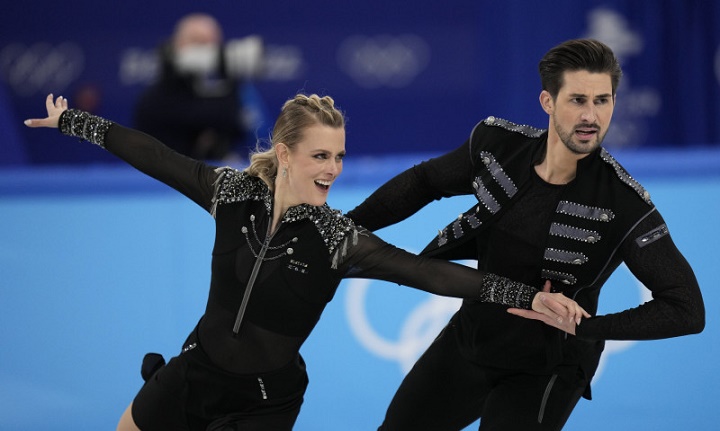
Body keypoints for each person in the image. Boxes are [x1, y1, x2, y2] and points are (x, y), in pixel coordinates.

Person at [24, 93, 589, 430]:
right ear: (286, 152)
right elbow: (157, 158)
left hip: (263, 403)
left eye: (339, 156)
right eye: (321, 155)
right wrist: (77, 122)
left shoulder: (338, 239)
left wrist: (525, 296)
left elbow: (430, 274)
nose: (332, 168)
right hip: (195, 370)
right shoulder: (232, 194)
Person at [346, 38, 705, 431]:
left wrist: (586, 328)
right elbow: (424, 181)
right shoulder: (497, 145)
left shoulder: (625, 203)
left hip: (548, 369)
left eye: (603, 101)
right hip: (471, 340)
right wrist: (345, 227)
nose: (591, 116)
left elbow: (686, 307)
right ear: (548, 102)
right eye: (577, 100)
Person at [133, 13, 264, 161]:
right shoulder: (155, 98)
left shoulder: (233, 89)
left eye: (212, 43)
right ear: (178, 44)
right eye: (198, 42)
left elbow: (239, 125)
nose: (206, 50)